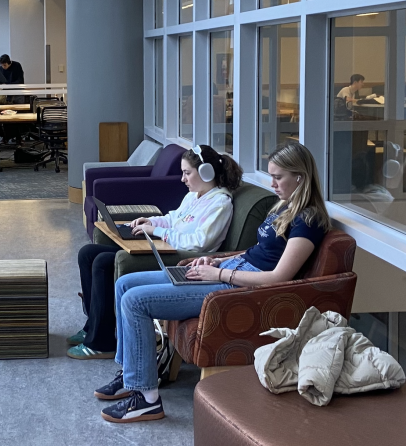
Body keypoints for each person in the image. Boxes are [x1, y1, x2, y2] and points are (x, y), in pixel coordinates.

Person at [95, 141, 330, 424]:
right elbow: (258, 252)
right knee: (126, 284)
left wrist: (219, 275)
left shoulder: (308, 220)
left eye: (278, 177)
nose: (272, 183)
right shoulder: (285, 207)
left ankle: (146, 400)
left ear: (300, 178)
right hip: (230, 270)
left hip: (237, 289)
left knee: (135, 301)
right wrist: (218, 260)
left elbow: (277, 277)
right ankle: (130, 374)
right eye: (271, 175)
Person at [69, 145, 243, 360]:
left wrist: (157, 231)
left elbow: (199, 244)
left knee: (104, 262)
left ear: (206, 172)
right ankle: (92, 325)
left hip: (180, 257)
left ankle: (101, 341)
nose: (182, 179)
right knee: (88, 253)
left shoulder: (220, 204)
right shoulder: (195, 196)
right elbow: (173, 218)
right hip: (164, 246)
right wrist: (151, 221)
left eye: (187, 173)